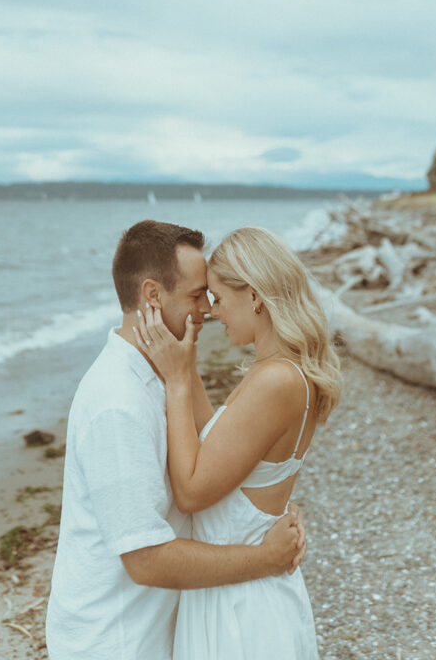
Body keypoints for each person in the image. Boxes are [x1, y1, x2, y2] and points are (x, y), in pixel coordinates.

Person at [46, 220, 305, 660]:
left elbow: (218, 463)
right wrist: (266, 558)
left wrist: (268, 511)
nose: (207, 308)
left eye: (210, 295)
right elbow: (146, 560)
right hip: (116, 641)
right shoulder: (117, 402)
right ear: (152, 296)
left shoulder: (162, 376)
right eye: (195, 294)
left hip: (166, 629)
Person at [135, 225, 342, 660]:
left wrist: (174, 382)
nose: (210, 311)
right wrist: (187, 366)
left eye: (217, 297)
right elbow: (225, 445)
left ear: (255, 296)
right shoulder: (283, 371)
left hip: (240, 610)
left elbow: (191, 491)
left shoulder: (276, 381)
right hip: (243, 593)